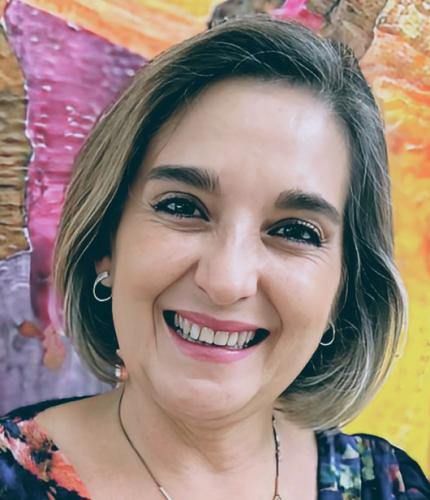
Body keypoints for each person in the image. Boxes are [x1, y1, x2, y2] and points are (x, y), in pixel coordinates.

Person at [0, 15, 429, 500]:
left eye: (295, 231)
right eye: (182, 207)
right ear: (106, 243)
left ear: (342, 290)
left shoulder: (389, 485)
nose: (226, 280)